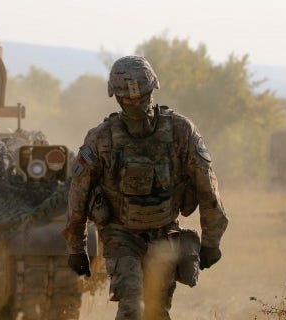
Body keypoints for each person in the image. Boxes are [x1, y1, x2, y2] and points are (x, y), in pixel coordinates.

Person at [63, 55, 228, 320]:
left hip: (164, 233)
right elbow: (79, 193)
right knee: (132, 306)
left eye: (140, 97)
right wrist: (76, 247)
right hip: (119, 234)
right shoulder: (101, 138)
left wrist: (211, 241)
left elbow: (206, 186)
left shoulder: (180, 131)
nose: (134, 103)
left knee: (156, 311)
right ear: (116, 97)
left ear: (151, 91)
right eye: (127, 99)